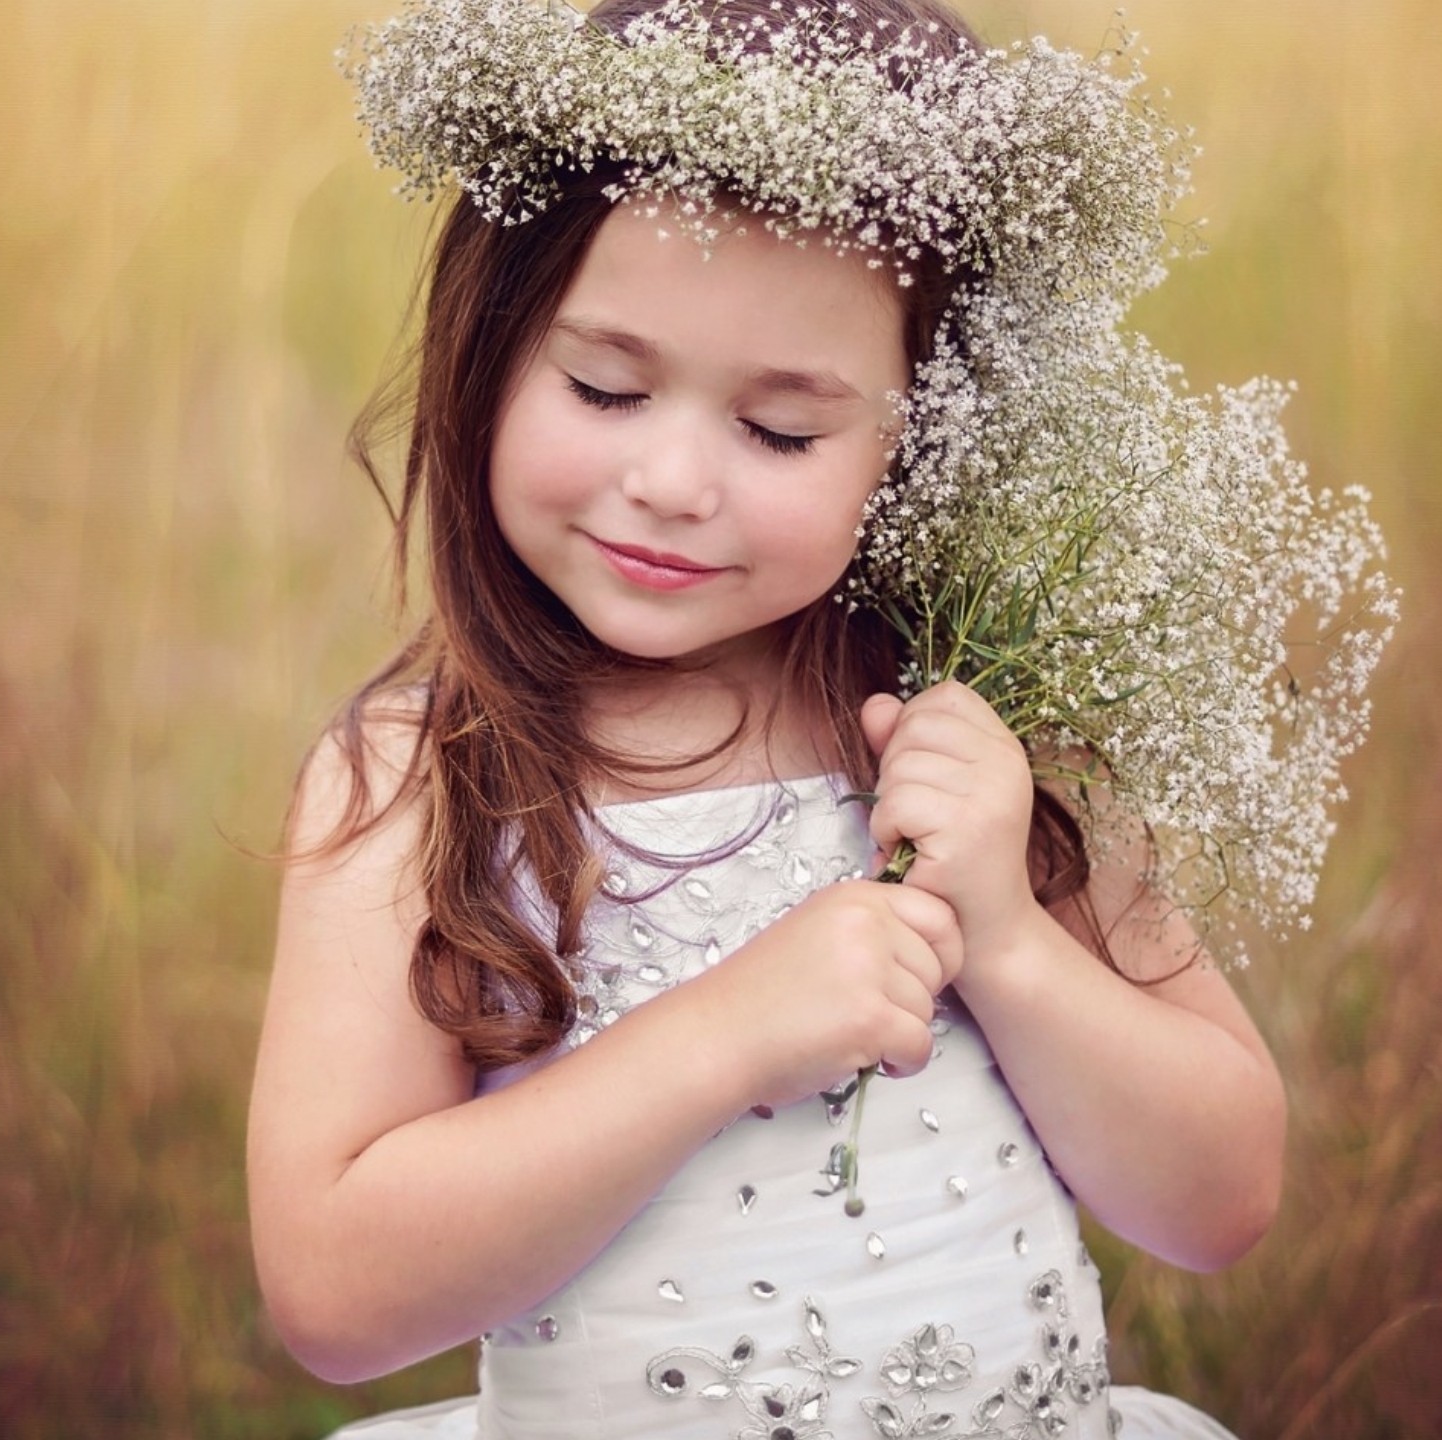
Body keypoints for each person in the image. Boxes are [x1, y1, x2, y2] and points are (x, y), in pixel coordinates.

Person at [247, 2, 1285, 1435]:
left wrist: (1010, 940)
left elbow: (1224, 1197)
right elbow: (333, 1295)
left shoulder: (983, 729)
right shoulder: (426, 784)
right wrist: (721, 1037)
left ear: (927, 433)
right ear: (490, 347)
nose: (674, 480)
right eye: (606, 385)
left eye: (781, 430)